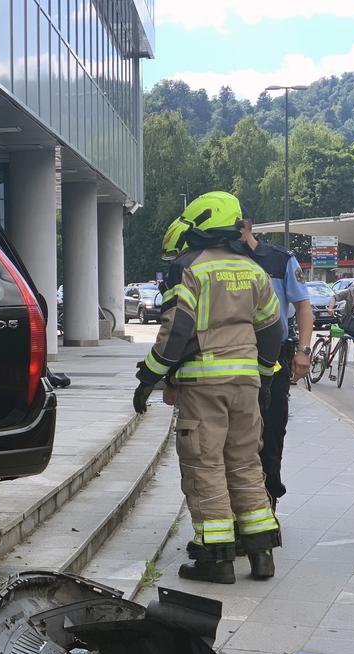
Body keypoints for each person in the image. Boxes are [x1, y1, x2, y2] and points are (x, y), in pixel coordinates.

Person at [133, 192, 284, 583]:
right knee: (246, 462)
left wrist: (149, 377)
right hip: (245, 382)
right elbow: (272, 330)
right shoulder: (253, 270)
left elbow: (176, 331)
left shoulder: (189, 269)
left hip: (203, 383)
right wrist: (265, 374)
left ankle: (215, 559)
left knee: (205, 464)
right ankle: (261, 552)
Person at [239, 210, 312, 506]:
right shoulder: (221, 259)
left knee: (271, 429)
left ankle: (268, 501)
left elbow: (303, 307)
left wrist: (303, 351)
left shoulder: (279, 260)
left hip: (273, 356)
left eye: (239, 229)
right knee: (236, 435)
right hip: (234, 355)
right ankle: (242, 504)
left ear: (248, 225)